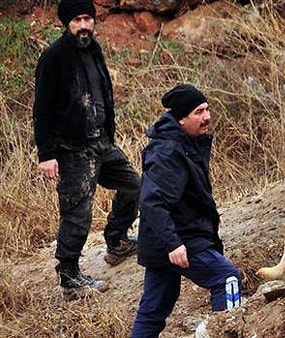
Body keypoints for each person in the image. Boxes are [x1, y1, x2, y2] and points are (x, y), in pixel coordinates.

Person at [33, 0, 140, 297]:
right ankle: (69, 277)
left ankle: (117, 241)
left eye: (88, 19)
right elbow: (41, 109)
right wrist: (47, 154)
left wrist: (109, 134)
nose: (84, 25)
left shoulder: (94, 49)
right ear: (67, 23)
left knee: (135, 185)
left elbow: (102, 94)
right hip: (72, 149)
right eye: (78, 19)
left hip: (101, 144)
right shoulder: (54, 57)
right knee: (77, 213)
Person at [131, 84, 242, 337]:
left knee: (153, 311)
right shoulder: (168, 151)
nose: (207, 117)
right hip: (177, 238)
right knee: (227, 279)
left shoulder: (184, 142)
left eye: (207, 109)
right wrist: (173, 243)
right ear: (181, 119)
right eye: (198, 112)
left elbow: (185, 192)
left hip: (166, 237)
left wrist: (210, 213)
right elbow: (152, 201)